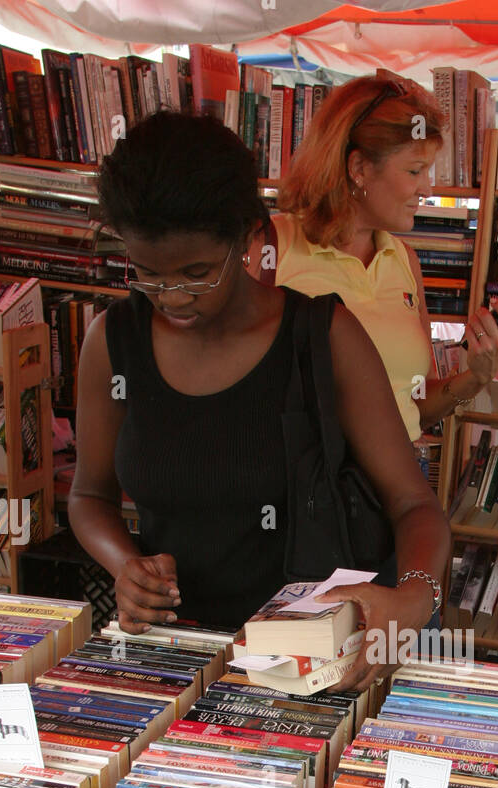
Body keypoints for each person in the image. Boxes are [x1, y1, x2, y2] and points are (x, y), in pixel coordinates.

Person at [69, 111, 450, 694]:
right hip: (177, 655)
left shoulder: (323, 338)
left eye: (196, 273)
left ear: (250, 236)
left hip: (310, 667)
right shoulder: (113, 342)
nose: (172, 298)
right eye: (148, 275)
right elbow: (88, 496)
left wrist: (414, 597)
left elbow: (414, 504)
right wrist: (126, 565)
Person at [260, 75, 498, 443]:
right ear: (359, 168)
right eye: (415, 170)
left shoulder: (404, 260)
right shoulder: (270, 247)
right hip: (302, 493)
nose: (427, 189)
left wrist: (477, 375)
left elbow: (413, 403)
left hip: (392, 492)